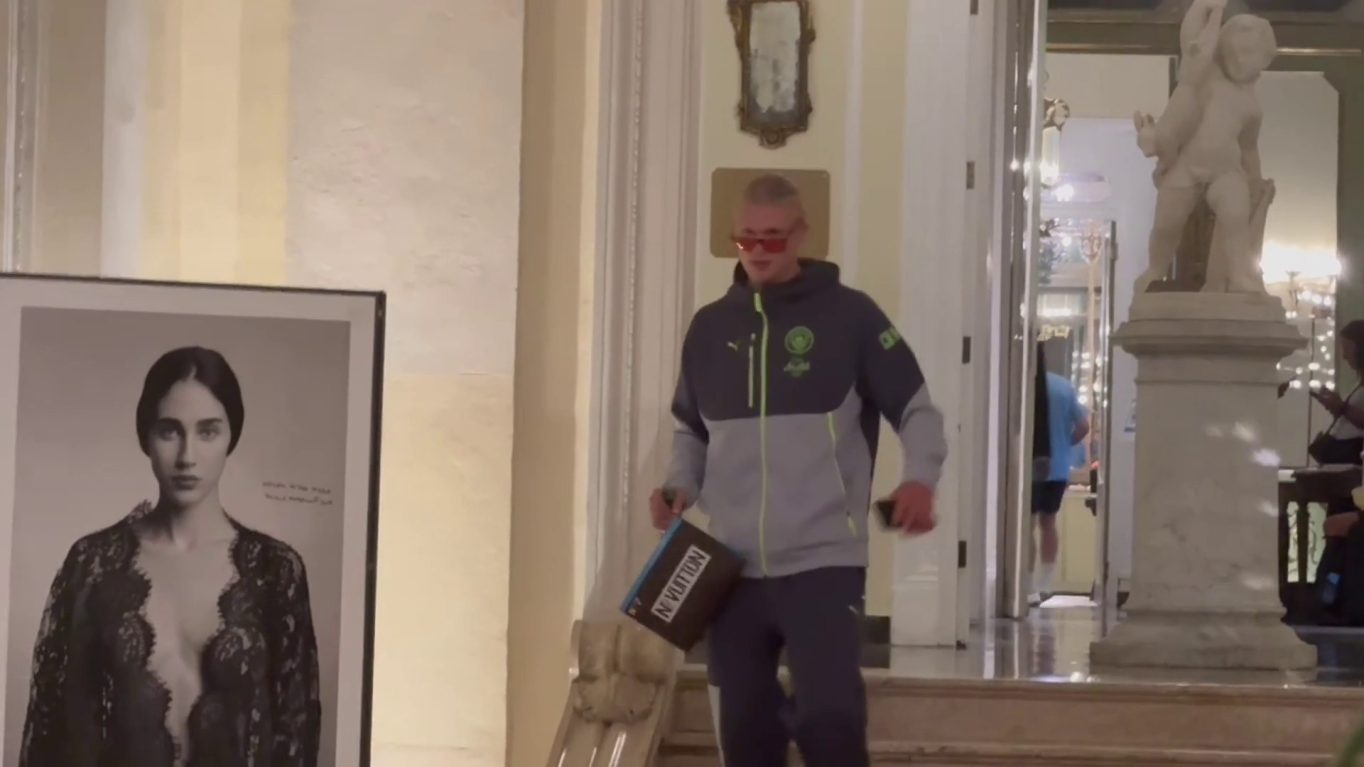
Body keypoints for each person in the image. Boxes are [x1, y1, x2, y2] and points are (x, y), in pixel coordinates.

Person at [650, 174, 946, 766]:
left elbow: (917, 410)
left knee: (829, 717)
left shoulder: (852, 317)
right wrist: (678, 486)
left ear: (802, 235)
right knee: (745, 729)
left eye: (774, 238)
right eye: (747, 239)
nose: (759, 251)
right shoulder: (710, 329)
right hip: (731, 570)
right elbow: (691, 430)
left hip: (824, 563)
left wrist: (920, 478)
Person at [20, 346, 321, 767]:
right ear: (145, 437)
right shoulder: (91, 565)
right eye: (169, 431)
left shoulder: (275, 572)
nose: (187, 457)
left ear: (231, 437)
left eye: (208, 431)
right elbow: (49, 736)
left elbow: (296, 739)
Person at [1030, 357, 1090, 607]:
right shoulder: (1064, 386)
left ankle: (1026, 584)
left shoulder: (1027, 384)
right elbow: (1083, 425)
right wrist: (1065, 444)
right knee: (1049, 523)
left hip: (1031, 465)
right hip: (1058, 467)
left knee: (1026, 525)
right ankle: (1045, 583)